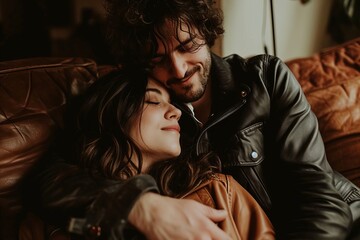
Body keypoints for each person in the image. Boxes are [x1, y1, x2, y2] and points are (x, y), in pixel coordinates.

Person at [26, 0, 360, 239]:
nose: (179, 69)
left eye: (187, 46)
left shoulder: (265, 79)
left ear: (207, 30)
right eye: (158, 59)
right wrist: (138, 205)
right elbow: (52, 177)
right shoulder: (153, 122)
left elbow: (317, 194)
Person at [22, 70, 275, 240]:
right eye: (153, 101)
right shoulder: (51, 220)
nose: (175, 112)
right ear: (114, 116)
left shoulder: (219, 192)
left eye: (173, 103)